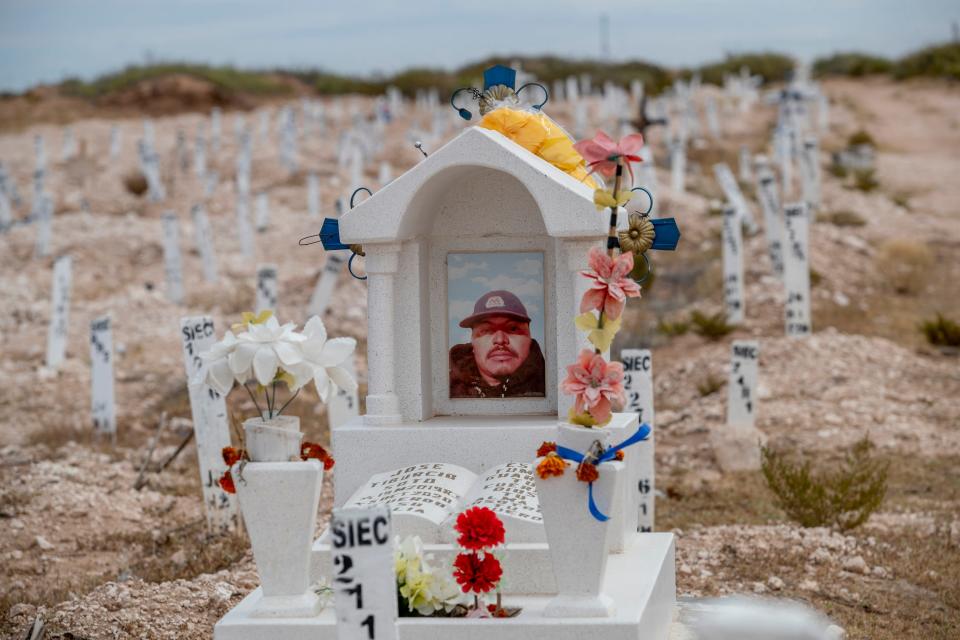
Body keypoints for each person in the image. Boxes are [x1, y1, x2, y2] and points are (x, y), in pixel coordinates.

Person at [449, 290, 545, 398]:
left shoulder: (556, 385)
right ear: (473, 344)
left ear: (529, 339)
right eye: (486, 330)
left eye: (513, 328)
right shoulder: (447, 390)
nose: (500, 340)